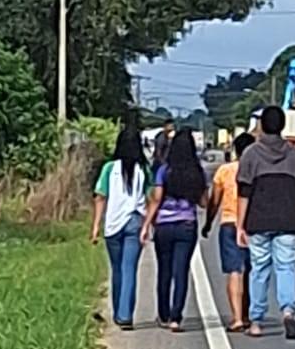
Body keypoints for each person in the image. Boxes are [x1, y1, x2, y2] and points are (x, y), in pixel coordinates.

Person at [236, 105, 295, 340]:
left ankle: (256, 320)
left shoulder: (250, 154)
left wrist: (240, 224)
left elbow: (244, 192)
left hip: (258, 218)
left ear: (261, 126)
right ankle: (288, 311)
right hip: (288, 218)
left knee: (259, 268)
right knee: (286, 266)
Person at [141, 129, 208, 331]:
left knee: (164, 270)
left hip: (164, 226)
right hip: (187, 225)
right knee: (181, 271)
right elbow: (204, 202)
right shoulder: (198, 172)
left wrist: (146, 224)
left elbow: (156, 199)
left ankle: (163, 314)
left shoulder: (164, 170)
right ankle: (176, 317)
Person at [91, 128, 151, 329]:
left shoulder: (109, 168)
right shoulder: (143, 168)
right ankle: (125, 315)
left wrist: (95, 226)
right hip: (135, 221)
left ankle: (118, 311)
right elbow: (151, 197)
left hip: (113, 223)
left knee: (116, 268)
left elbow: (100, 196)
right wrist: (149, 223)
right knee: (129, 268)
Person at [204, 131, 255, 332]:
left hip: (229, 223)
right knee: (251, 271)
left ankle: (236, 318)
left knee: (235, 271)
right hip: (253, 225)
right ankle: (248, 314)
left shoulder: (225, 171)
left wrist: (208, 223)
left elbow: (214, 200)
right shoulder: (258, 170)